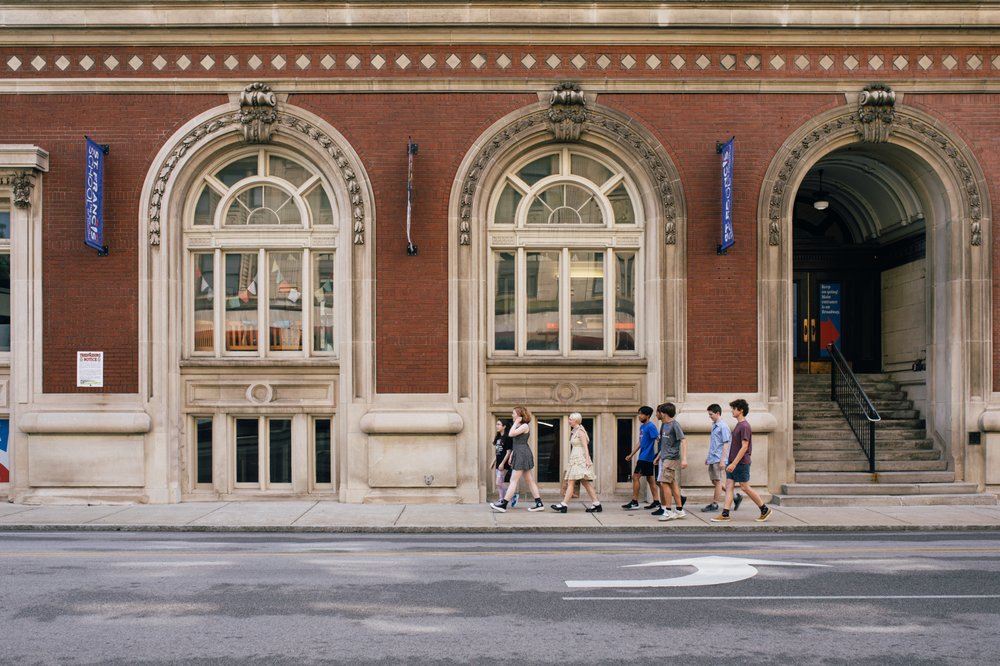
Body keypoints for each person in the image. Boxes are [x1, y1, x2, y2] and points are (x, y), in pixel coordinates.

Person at [711, 398, 772, 523]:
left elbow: (744, 447)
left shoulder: (744, 426)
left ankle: (764, 509)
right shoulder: (739, 425)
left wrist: (733, 463)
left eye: (734, 409)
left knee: (744, 487)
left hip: (741, 462)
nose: (732, 411)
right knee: (729, 486)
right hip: (733, 461)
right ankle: (725, 513)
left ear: (741, 410)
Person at [490, 406, 545, 512]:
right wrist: (512, 455)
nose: (512, 415)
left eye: (514, 413)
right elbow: (516, 442)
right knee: (529, 480)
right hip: (519, 453)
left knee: (513, 480)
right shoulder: (520, 425)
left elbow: (511, 434)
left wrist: (515, 422)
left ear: (519, 415)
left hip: (522, 454)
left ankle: (504, 504)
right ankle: (539, 503)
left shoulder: (524, 425)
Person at [551, 412, 602, 513]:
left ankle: (564, 504)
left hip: (580, 459)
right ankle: (596, 504)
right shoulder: (575, 431)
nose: (569, 421)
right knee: (585, 482)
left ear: (576, 420)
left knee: (571, 481)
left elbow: (585, 447)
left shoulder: (580, 432)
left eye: (570, 419)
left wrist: (587, 460)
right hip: (575, 458)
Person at [621, 406, 662, 511]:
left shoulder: (651, 426)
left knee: (635, 477)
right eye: (639, 414)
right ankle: (656, 502)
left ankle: (635, 502)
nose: (639, 416)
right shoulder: (642, 427)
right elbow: (640, 442)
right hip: (643, 456)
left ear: (647, 416)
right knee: (651, 480)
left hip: (646, 457)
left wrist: (660, 455)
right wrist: (631, 454)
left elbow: (658, 439)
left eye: (641, 414)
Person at [703, 404, 741, 513]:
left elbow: (726, 444)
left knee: (718, 481)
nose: (710, 416)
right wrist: (708, 457)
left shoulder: (723, 427)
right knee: (715, 481)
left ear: (717, 413)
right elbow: (714, 443)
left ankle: (714, 504)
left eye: (711, 414)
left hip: (719, 458)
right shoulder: (714, 425)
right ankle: (735, 497)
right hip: (713, 457)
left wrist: (722, 460)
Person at [653, 402, 687, 521]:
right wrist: (658, 457)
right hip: (665, 457)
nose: (658, 414)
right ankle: (679, 509)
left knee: (663, 483)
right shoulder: (664, 425)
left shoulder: (674, 425)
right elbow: (664, 444)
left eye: (660, 412)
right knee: (672, 483)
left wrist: (684, 459)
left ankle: (668, 511)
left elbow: (683, 440)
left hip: (671, 458)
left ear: (664, 413)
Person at [489, 419, 517, 506]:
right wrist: (493, 462)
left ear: (504, 426)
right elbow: (498, 452)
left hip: (504, 464)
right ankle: (511, 497)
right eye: (496, 424)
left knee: (498, 482)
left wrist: (502, 463)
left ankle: (502, 499)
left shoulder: (507, 438)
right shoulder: (498, 438)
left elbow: (508, 452)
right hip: (498, 463)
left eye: (498, 424)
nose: (497, 426)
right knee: (499, 483)